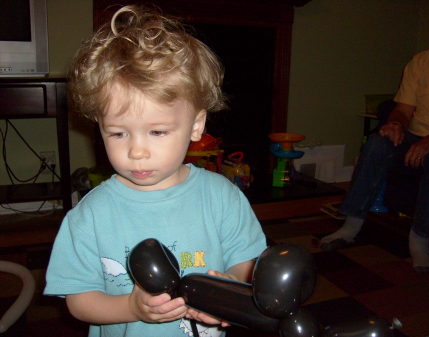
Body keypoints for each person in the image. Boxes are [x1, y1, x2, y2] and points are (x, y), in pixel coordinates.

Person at [44, 6, 267, 337]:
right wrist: (131, 308)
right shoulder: (90, 214)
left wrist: (230, 292)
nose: (136, 151)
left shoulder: (222, 197)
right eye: (118, 133)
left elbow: (249, 266)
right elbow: (79, 300)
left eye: (157, 132)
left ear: (196, 125)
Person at [320, 0, 429, 274]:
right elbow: (403, 109)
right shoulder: (424, 60)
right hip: (417, 136)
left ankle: (420, 238)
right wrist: (395, 124)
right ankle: (351, 224)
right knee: (379, 142)